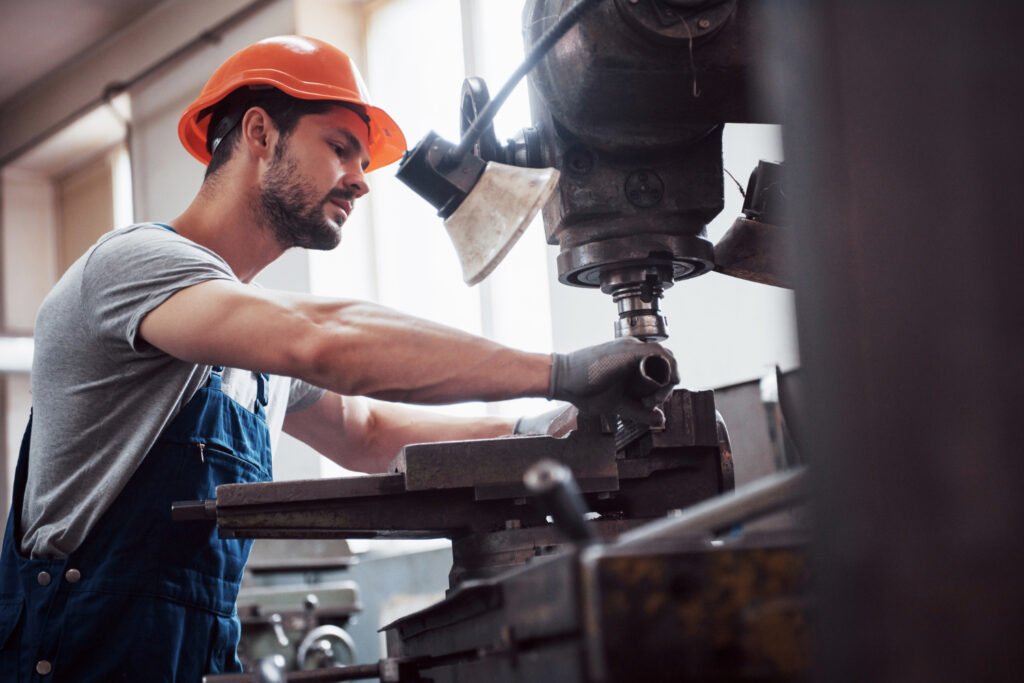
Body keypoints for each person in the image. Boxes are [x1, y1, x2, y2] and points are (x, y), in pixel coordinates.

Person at [0, 35, 677, 681]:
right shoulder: (137, 267)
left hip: (194, 658)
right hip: (85, 657)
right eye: (341, 148)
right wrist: (561, 369)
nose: (361, 181)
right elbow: (325, 339)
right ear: (260, 133)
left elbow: (366, 433)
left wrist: (538, 430)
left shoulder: (244, 330)